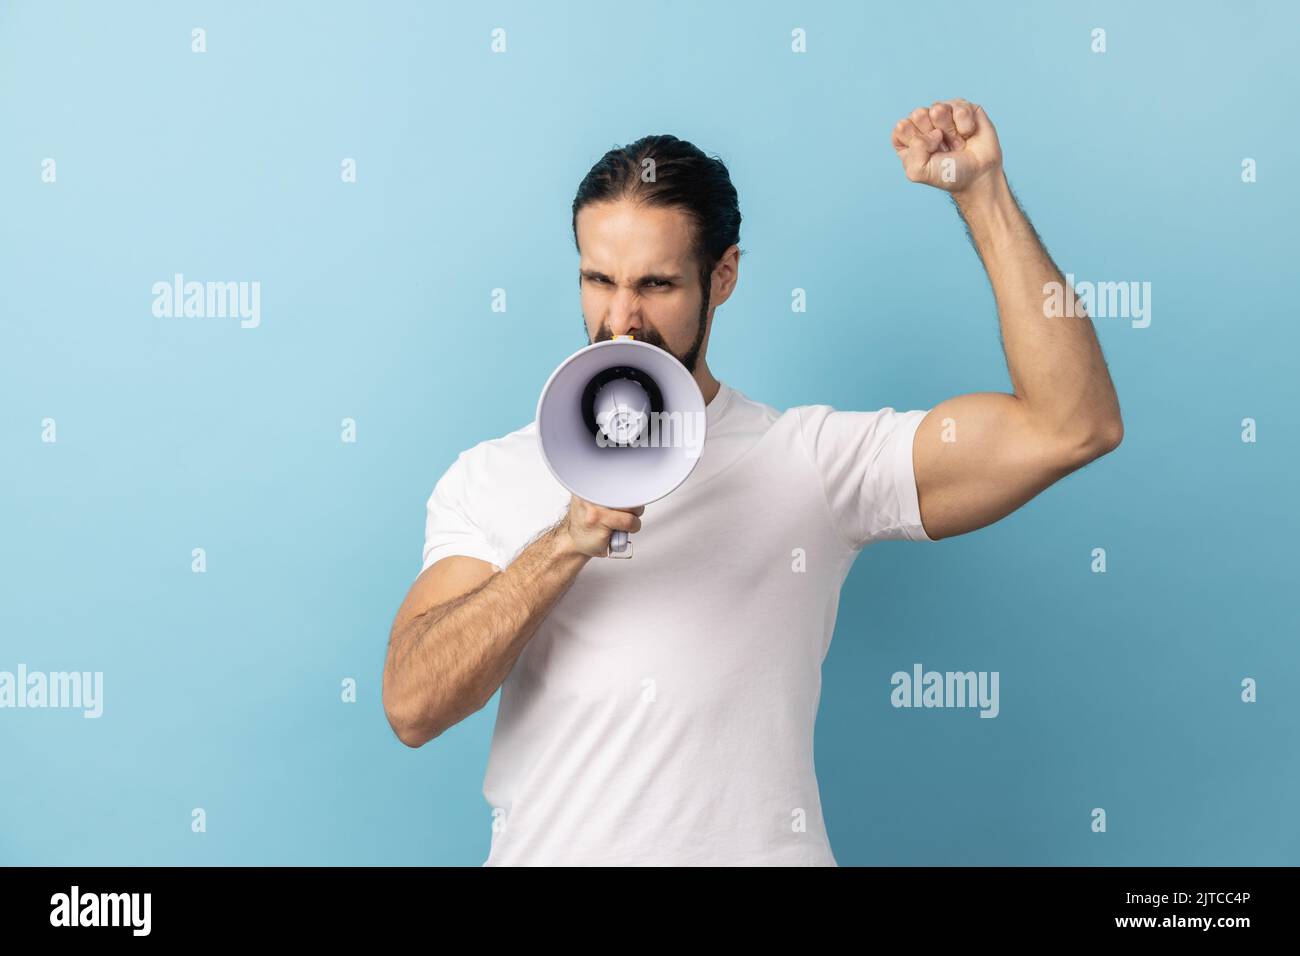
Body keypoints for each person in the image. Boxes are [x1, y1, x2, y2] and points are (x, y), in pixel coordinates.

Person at [382, 98, 1124, 866]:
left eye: (657, 285)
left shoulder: (810, 462)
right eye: (599, 280)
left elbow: (1072, 426)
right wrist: (564, 544)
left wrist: (983, 194)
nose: (622, 319)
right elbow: (412, 706)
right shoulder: (494, 474)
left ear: (723, 276)